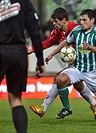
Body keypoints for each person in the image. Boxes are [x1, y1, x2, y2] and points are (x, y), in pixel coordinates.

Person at [45, 9, 96, 124]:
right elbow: (65, 42)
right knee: (60, 79)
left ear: (92, 20)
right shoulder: (76, 30)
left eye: (84, 20)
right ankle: (67, 108)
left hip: (94, 71)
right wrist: (52, 54)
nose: (81, 22)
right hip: (77, 68)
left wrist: (90, 47)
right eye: (81, 20)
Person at [30, 7, 96, 120]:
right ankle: (94, 103)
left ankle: (44, 108)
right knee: (78, 85)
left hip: (83, 62)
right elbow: (48, 42)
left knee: (58, 78)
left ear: (63, 20)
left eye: (55, 21)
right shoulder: (58, 31)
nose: (53, 24)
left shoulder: (75, 28)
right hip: (75, 63)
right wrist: (33, 49)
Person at [0, 0, 45, 132]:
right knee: (15, 99)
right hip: (18, 52)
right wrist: (40, 61)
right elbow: (35, 32)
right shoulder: (24, 2)